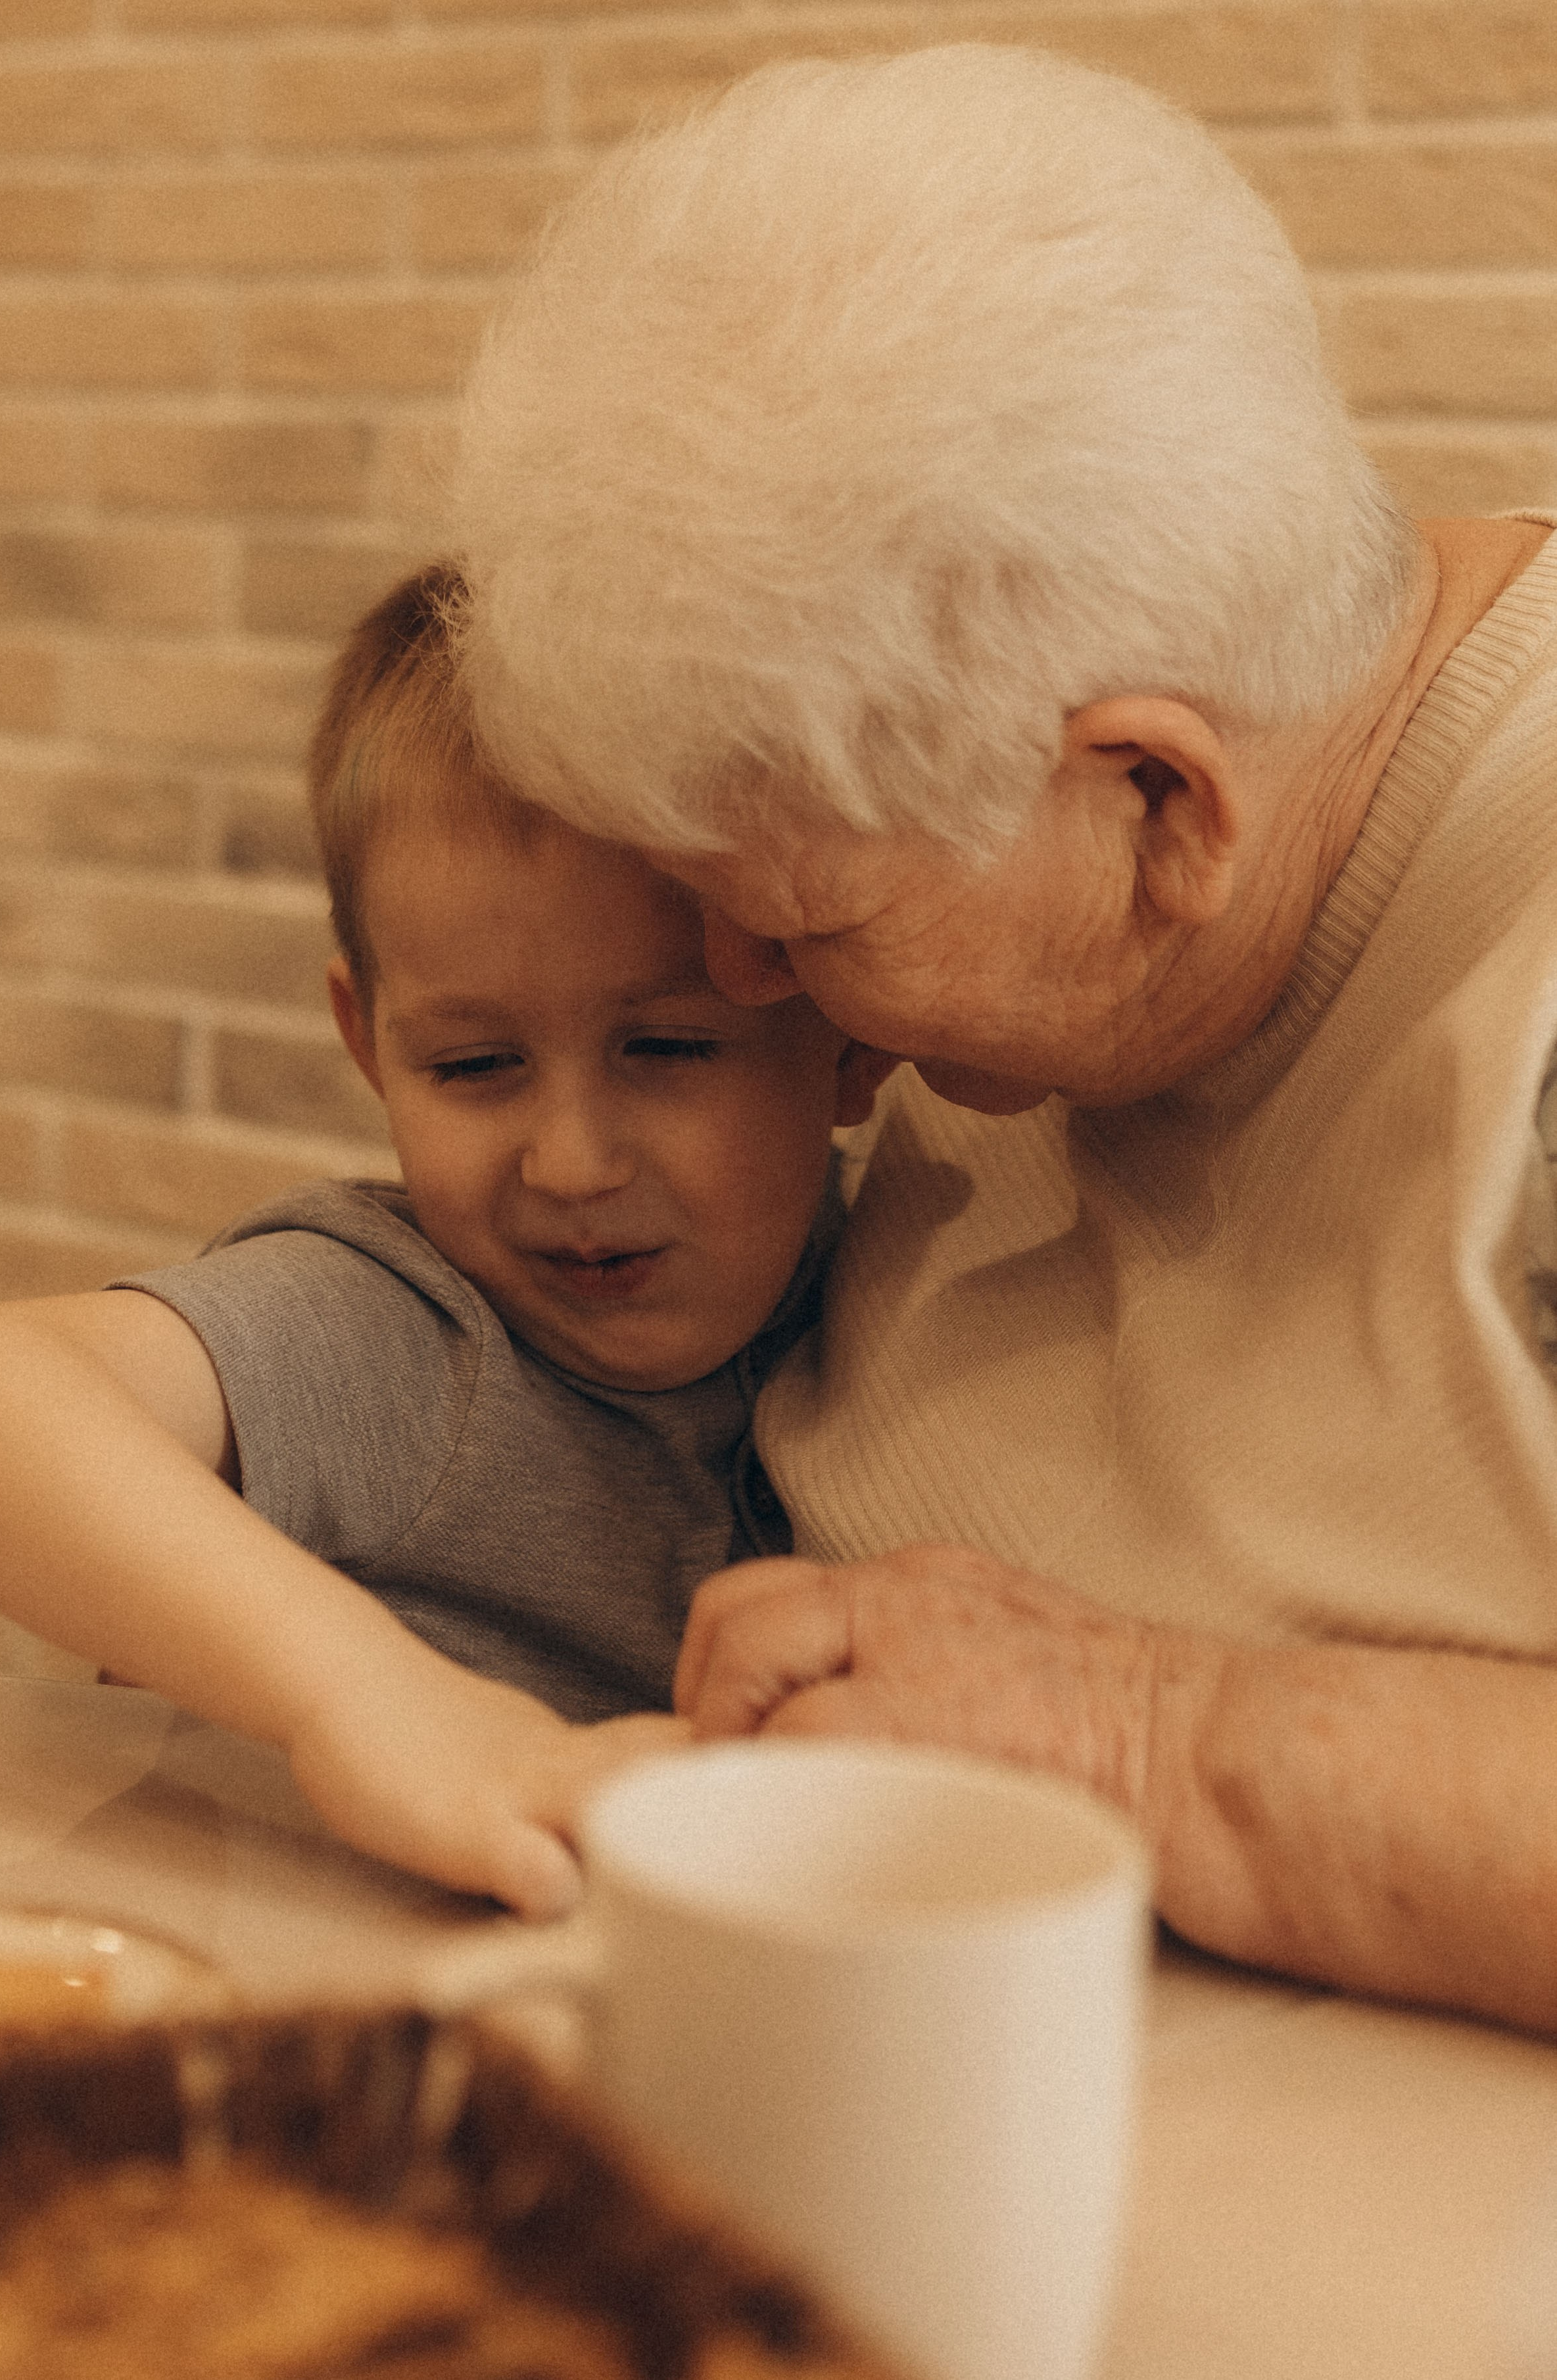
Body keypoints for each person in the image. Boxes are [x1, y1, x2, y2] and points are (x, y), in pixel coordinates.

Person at [452, 46, 1557, 2028]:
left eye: (803, 925)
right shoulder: (1003, 878)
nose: (740, 983)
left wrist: (1155, 1737)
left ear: (1153, 801)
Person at [0, 565, 877, 1916]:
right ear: (366, 1039)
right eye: (473, 1063)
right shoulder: (407, 1331)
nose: (569, 1160)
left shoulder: (910, 1275)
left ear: (852, 1027)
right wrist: (365, 1696)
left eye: (670, 1045)